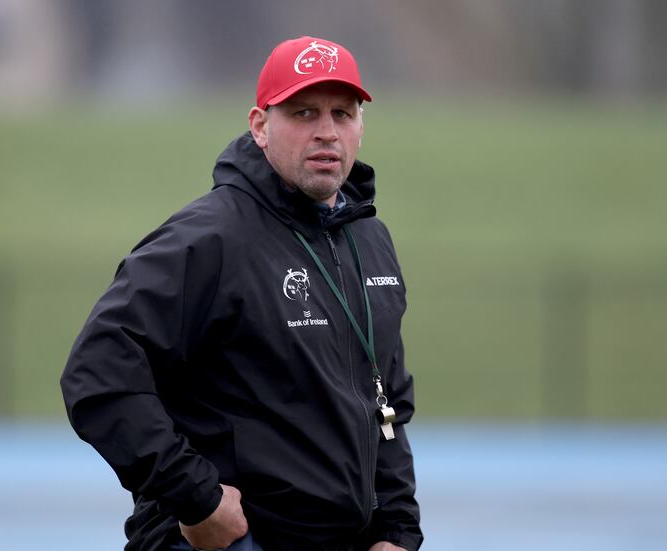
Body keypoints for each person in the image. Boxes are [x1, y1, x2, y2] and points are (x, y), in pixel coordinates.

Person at [61, 35, 423, 551]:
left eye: (342, 114)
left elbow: (386, 403)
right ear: (260, 125)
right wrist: (198, 499)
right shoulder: (210, 238)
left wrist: (398, 530)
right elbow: (97, 372)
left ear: (361, 126)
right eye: (303, 113)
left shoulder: (370, 240)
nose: (326, 132)